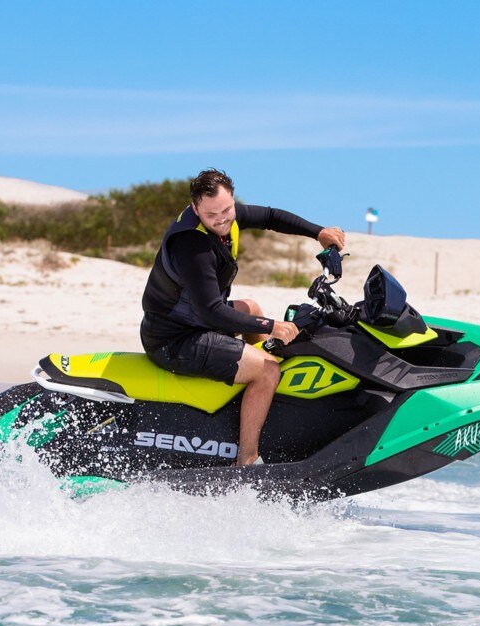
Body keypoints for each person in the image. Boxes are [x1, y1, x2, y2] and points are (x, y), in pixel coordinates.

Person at [140, 168, 346, 466]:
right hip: (175, 339)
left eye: (226, 209)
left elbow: (272, 217)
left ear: (232, 200)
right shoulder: (192, 245)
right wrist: (273, 327)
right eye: (211, 215)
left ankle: (262, 404)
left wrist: (318, 233)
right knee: (267, 370)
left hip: (195, 322)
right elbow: (213, 311)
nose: (221, 219)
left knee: (251, 306)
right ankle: (247, 460)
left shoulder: (228, 216)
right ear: (196, 209)